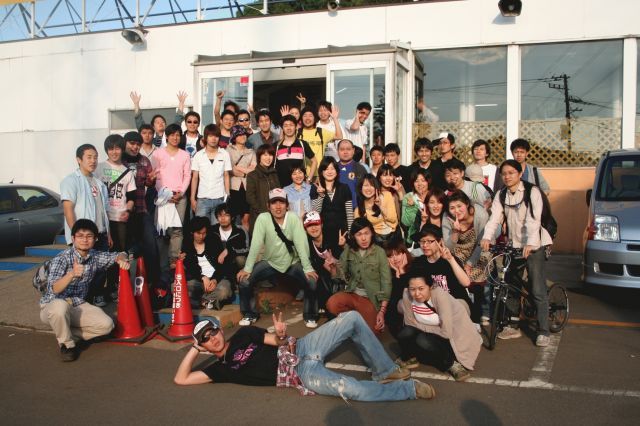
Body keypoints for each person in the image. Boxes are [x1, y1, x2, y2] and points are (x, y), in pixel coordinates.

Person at [174, 313, 436, 401]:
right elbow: (181, 379)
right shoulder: (220, 369)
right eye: (205, 338)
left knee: (352, 318)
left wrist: (279, 334)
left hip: (300, 347)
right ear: (203, 344)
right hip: (300, 374)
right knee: (351, 389)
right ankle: (408, 390)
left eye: (213, 331)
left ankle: (385, 370)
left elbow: (275, 341)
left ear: (220, 329)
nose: (212, 338)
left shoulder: (244, 334)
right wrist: (195, 349)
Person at [480, 159, 553, 347]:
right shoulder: (501, 194)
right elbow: (494, 219)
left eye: (511, 173)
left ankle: (543, 331)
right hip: (514, 244)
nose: (507, 176)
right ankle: (512, 326)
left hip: (535, 243)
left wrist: (531, 243)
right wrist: (487, 238)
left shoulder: (532, 191)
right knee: (511, 284)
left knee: (537, 288)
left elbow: (533, 219)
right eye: (504, 173)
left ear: (520, 174)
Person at [39, 219, 130, 361]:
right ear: (73, 238)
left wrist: (122, 259)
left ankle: (65, 332)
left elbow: (119, 254)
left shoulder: (94, 256)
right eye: (80, 236)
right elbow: (54, 288)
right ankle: (67, 345)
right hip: (52, 305)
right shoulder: (62, 258)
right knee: (60, 307)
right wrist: (71, 274)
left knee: (107, 326)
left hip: (77, 304)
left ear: (95, 239)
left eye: (89, 236)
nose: (85, 240)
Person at [237, 188, 319, 329]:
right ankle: (250, 314)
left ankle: (310, 316)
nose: (278, 206)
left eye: (281, 202)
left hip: (292, 262)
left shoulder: (293, 218)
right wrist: (247, 268)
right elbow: (255, 244)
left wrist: (307, 267)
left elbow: (301, 244)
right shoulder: (263, 218)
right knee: (244, 280)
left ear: (287, 205)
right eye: (274, 203)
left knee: (311, 281)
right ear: (268, 206)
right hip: (270, 262)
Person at [396, 274, 481, 381]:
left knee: (422, 339)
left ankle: (451, 363)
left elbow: (447, 332)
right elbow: (409, 323)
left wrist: (420, 327)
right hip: (432, 331)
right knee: (405, 332)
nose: (417, 294)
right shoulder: (407, 294)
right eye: (412, 289)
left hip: (451, 337)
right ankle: (410, 357)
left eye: (421, 288)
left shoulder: (440, 296)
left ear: (430, 287)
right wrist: (421, 328)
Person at [60, 144, 111, 306]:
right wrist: (76, 235)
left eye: (95, 157)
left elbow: (104, 211)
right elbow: (68, 209)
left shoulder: (99, 183)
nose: (93, 161)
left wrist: (109, 234)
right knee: (82, 271)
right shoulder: (70, 181)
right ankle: (80, 301)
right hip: (83, 236)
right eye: (89, 157)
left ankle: (95, 296)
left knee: (100, 268)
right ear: (79, 159)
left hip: (100, 234)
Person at [326, 218, 392, 334]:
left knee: (374, 331)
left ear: (372, 233)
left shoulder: (379, 252)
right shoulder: (349, 250)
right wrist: (332, 267)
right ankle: (353, 320)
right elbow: (339, 276)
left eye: (366, 233)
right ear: (353, 236)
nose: (363, 238)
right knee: (332, 303)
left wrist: (382, 311)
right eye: (359, 234)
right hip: (352, 294)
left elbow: (386, 282)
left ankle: (356, 321)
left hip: (370, 299)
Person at [95, 134, 136, 305]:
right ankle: (97, 291)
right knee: (100, 256)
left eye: (117, 148)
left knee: (118, 255)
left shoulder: (127, 172)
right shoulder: (98, 167)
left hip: (119, 219)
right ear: (106, 150)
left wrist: (128, 210)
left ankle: (113, 288)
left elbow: (132, 197)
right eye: (110, 149)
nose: (114, 152)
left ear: (122, 149)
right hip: (102, 219)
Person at [443, 190, 492, 325]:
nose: (456, 211)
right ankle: (459, 310)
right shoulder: (447, 217)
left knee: (481, 272)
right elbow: (448, 247)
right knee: (454, 270)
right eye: (452, 208)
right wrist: (455, 232)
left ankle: (481, 312)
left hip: (479, 250)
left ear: (467, 204)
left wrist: (470, 263)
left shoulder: (480, 215)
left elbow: (482, 242)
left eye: (459, 206)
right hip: (458, 251)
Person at [121, 131, 160, 288]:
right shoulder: (119, 160)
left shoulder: (144, 160)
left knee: (151, 245)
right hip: (121, 213)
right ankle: (120, 285)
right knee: (124, 249)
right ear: (124, 144)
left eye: (138, 144)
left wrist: (151, 180)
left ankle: (153, 283)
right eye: (132, 143)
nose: (135, 147)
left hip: (141, 209)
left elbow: (148, 183)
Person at [152, 123, 191, 270]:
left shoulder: (185, 155)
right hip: (163, 196)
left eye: (178, 135)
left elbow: (187, 175)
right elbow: (155, 175)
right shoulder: (158, 153)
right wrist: (164, 193)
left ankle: (174, 260)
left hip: (179, 197)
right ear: (167, 137)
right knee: (161, 230)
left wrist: (181, 192)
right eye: (172, 135)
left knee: (177, 230)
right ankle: (161, 263)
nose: (175, 138)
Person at [411, 224, 472, 308]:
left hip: (456, 303)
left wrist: (450, 260)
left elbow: (466, 283)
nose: (424, 245)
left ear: (439, 241)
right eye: (422, 241)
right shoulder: (419, 263)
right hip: (434, 306)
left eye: (429, 241)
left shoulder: (450, 259)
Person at [181, 216, 233, 310]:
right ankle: (209, 302)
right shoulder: (187, 245)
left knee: (224, 291)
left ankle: (201, 301)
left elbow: (221, 265)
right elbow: (191, 267)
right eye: (198, 233)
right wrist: (202, 277)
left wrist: (215, 279)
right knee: (177, 287)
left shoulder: (213, 241)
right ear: (192, 232)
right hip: (199, 281)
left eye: (204, 233)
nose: (201, 236)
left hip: (216, 280)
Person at [303, 211, 344, 314]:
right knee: (317, 275)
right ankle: (323, 304)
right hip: (324, 275)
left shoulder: (333, 237)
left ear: (321, 224)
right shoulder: (306, 244)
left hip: (340, 272)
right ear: (305, 229)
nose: (313, 228)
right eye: (309, 225)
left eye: (316, 224)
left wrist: (341, 247)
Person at [190, 123, 231, 225]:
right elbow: (195, 178)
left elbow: (226, 175)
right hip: (202, 199)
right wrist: (192, 198)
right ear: (205, 137)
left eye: (216, 136)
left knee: (217, 229)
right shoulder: (198, 155)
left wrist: (227, 196)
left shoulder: (224, 154)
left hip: (220, 198)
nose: (213, 139)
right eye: (211, 136)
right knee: (200, 228)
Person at [312, 157, 354, 256]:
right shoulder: (315, 188)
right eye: (326, 169)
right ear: (322, 172)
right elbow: (315, 213)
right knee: (326, 262)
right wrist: (321, 195)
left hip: (342, 233)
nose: (329, 171)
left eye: (332, 168)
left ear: (336, 171)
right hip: (324, 234)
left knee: (342, 260)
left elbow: (349, 214)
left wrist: (350, 234)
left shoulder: (344, 188)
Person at [208, 203, 249, 287]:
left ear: (232, 217)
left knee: (240, 259)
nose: (223, 218)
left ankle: (240, 279)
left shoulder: (240, 230)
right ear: (217, 218)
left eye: (226, 215)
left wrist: (228, 250)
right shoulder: (212, 231)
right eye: (220, 216)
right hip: (219, 266)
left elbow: (247, 249)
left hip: (236, 264)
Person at [227, 124, 256, 230]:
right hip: (233, 188)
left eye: (244, 134)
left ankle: (247, 240)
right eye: (239, 134)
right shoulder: (228, 150)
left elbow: (253, 170)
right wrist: (245, 172)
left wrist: (239, 168)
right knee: (232, 218)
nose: (243, 136)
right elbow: (230, 169)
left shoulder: (251, 151)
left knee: (246, 220)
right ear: (234, 137)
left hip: (247, 188)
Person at [275, 114, 317, 187]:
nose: (288, 128)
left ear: (296, 126)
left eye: (291, 125)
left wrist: (309, 179)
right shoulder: (277, 145)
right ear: (282, 128)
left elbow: (314, 161)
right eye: (285, 125)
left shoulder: (302, 144)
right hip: (281, 187)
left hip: (300, 187)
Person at [355, 174, 398, 243]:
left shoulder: (387, 195)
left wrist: (381, 206)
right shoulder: (358, 210)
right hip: (375, 239)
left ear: (376, 188)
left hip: (393, 236)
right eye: (366, 185)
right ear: (360, 189)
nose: (368, 188)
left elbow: (393, 219)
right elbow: (360, 231)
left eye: (372, 185)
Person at [384, 238, 413, 338]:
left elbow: (411, 293)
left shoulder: (415, 267)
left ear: (404, 254)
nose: (395, 259)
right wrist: (397, 274)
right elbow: (394, 300)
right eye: (390, 256)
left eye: (397, 254)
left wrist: (402, 272)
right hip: (398, 320)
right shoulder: (387, 275)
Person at [246, 144, 280, 231]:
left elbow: (279, 194)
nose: (268, 158)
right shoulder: (252, 175)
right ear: (259, 157)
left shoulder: (274, 174)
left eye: (270, 155)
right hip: (259, 216)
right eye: (265, 155)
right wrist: (263, 212)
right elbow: (250, 198)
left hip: (275, 216)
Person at [401, 168, 432, 255]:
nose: (420, 184)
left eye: (423, 180)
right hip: (415, 241)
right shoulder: (408, 197)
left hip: (432, 239)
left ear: (428, 182)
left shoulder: (434, 196)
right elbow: (405, 222)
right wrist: (411, 207)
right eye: (416, 181)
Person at [298, 106, 334, 178]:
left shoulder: (321, 132)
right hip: (301, 175)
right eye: (305, 116)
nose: (307, 118)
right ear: (301, 118)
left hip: (319, 174)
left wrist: (335, 119)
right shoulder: (297, 133)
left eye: (310, 116)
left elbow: (339, 136)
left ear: (315, 118)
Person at [337, 139, 368, 208]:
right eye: (342, 149)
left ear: (353, 151)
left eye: (348, 149)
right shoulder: (332, 168)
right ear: (337, 151)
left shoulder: (360, 169)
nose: (345, 152)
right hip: (336, 209)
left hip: (356, 208)